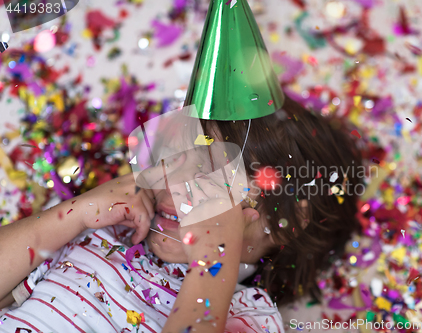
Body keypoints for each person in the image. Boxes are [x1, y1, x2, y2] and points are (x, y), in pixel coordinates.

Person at [0, 94, 362, 333]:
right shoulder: (102, 235)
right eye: (174, 158)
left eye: (214, 171)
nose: (175, 181)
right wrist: (75, 213)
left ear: (286, 224)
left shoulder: (250, 315)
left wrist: (213, 259)